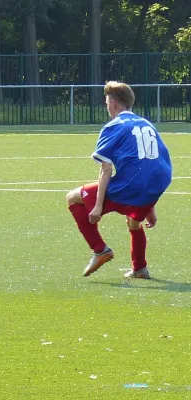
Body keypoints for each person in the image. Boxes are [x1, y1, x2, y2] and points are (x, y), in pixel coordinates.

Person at [66, 81, 172, 279]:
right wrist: (150, 206)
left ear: (113, 103)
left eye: (107, 102)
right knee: (133, 222)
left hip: (134, 185)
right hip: (157, 183)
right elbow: (152, 162)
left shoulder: (114, 126)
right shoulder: (146, 124)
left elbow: (106, 169)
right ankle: (140, 269)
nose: (106, 106)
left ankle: (99, 250)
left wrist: (97, 207)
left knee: (72, 198)